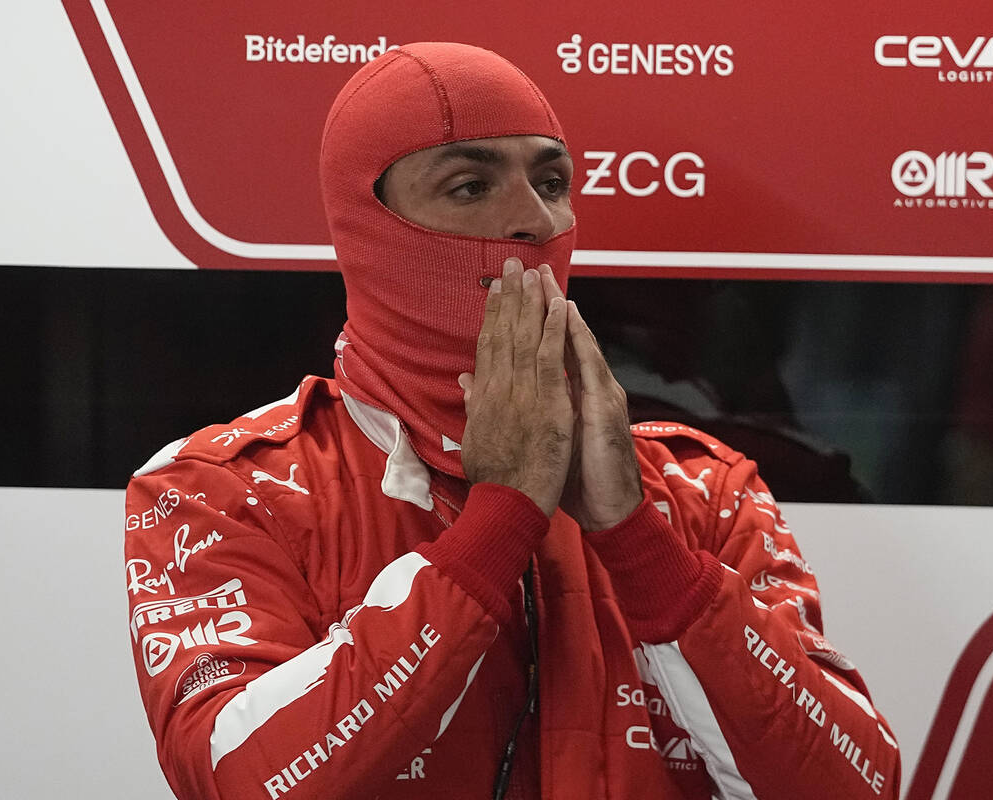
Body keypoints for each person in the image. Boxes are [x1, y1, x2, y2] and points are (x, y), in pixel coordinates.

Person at [124, 42, 900, 800]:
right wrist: (497, 526)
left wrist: (638, 542)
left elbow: (856, 787)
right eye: (470, 186)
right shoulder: (221, 490)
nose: (533, 219)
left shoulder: (704, 489)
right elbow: (242, 781)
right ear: (369, 224)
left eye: (553, 180)